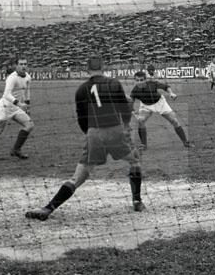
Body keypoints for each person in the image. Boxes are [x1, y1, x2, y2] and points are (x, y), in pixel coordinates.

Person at [25, 56, 143, 220]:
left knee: (79, 176)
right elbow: (125, 108)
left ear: (87, 70)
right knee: (135, 161)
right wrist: (125, 125)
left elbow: (81, 119)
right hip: (115, 130)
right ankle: (137, 201)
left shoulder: (81, 89)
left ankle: (48, 208)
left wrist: (90, 134)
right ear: (103, 67)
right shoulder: (113, 83)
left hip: (94, 133)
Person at [130, 66, 190, 150]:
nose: (139, 82)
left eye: (141, 80)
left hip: (160, 103)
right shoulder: (134, 91)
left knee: (174, 121)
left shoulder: (152, 83)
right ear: (135, 81)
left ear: (145, 80)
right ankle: (143, 145)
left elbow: (166, 87)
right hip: (146, 106)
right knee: (140, 120)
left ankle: (185, 142)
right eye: (137, 80)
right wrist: (133, 111)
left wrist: (171, 93)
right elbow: (131, 102)